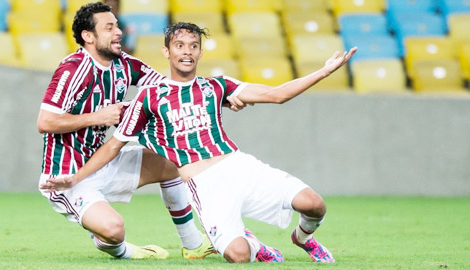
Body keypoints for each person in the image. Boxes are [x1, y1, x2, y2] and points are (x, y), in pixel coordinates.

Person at [41, 22, 357, 263]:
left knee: (314, 204)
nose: (187, 51)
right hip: (205, 186)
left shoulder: (217, 86)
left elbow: (277, 95)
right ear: (167, 52)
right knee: (238, 256)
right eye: (179, 45)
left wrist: (324, 72)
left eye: (193, 45)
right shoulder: (150, 98)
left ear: (201, 53)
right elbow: (112, 147)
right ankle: (252, 244)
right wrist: (75, 178)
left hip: (240, 166)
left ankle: (303, 239)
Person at [36, 5, 245, 260]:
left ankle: (192, 243)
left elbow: (173, 88)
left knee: (172, 160)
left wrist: (221, 97)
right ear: (88, 36)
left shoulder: (125, 64)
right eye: (109, 27)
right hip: (66, 176)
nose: (119, 32)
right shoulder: (73, 70)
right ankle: (118, 248)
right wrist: (98, 117)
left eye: (117, 26)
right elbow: (45, 122)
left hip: (103, 161)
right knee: (113, 230)